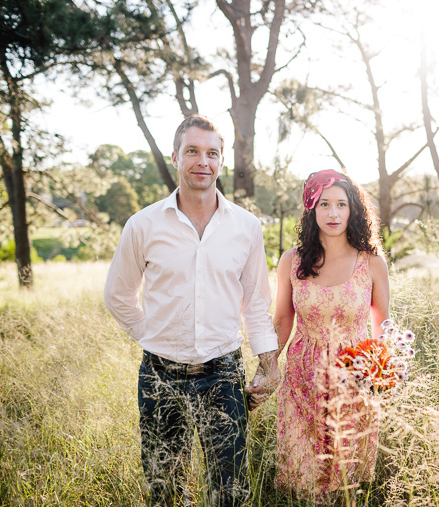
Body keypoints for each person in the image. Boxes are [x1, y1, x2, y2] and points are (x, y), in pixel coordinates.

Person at [103, 114, 280, 506]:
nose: (203, 161)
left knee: (230, 492)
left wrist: (269, 363)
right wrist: (150, 334)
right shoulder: (143, 225)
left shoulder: (246, 227)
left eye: (212, 153)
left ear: (221, 161)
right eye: (193, 152)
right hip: (159, 375)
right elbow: (117, 295)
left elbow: (255, 303)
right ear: (175, 157)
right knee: (164, 491)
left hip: (223, 373)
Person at [269, 169, 390, 503]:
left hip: (352, 380)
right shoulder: (291, 261)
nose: (333, 213)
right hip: (302, 378)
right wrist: (267, 368)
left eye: (341, 204)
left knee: (343, 483)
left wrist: (380, 379)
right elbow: (281, 320)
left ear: (353, 209)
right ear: (312, 208)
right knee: (303, 481)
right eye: (324, 204)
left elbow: (382, 325)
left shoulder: (371, 262)